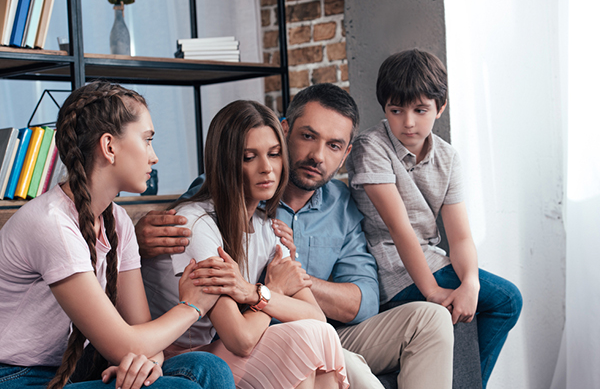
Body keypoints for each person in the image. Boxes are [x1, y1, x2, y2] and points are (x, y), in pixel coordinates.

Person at [137, 84, 454, 389]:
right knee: (316, 344)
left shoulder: (299, 216)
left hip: (293, 327)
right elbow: (191, 215)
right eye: (308, 137)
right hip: (235, 340)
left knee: (424, 319)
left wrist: (274, 287)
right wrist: (272, 290)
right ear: (286, 130)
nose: (317, 155)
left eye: (333, 145)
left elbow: (356, 303)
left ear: (345, 154)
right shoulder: (218, 205)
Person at [0, 82, 234, 389]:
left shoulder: (118, 221)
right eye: (147, 140)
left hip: (76, 369)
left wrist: (146, 364)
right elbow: (124, 345)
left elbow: (140, 336)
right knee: (180, 388)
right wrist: (193, 306)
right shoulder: (52, 224)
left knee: (208, 368)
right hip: (17, 376)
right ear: (109, 146)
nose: (154, 157)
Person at [345, 49, 523, 388]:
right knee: (496, 300)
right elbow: (399, 229)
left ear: (440, 108)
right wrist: (433, 291)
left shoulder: (447, 157)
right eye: (396, 110)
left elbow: (459, 237)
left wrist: (470, 282)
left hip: (432, 260)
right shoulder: (372, 146)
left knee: (503, 300)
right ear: (385, 108)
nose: (408, 122)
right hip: (390, 268)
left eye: (420, 110)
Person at [141, 100, 349, 389]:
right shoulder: (195, 224)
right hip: (173, 360)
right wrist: (271, 291)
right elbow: (240, 339)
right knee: (307, 338)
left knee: (318, 334)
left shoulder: (270, 228)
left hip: (215, 350)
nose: (267, 168)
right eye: (249, 157)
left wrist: (254, 293)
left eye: (274, 154)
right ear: (227, 162)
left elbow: (317, 316)